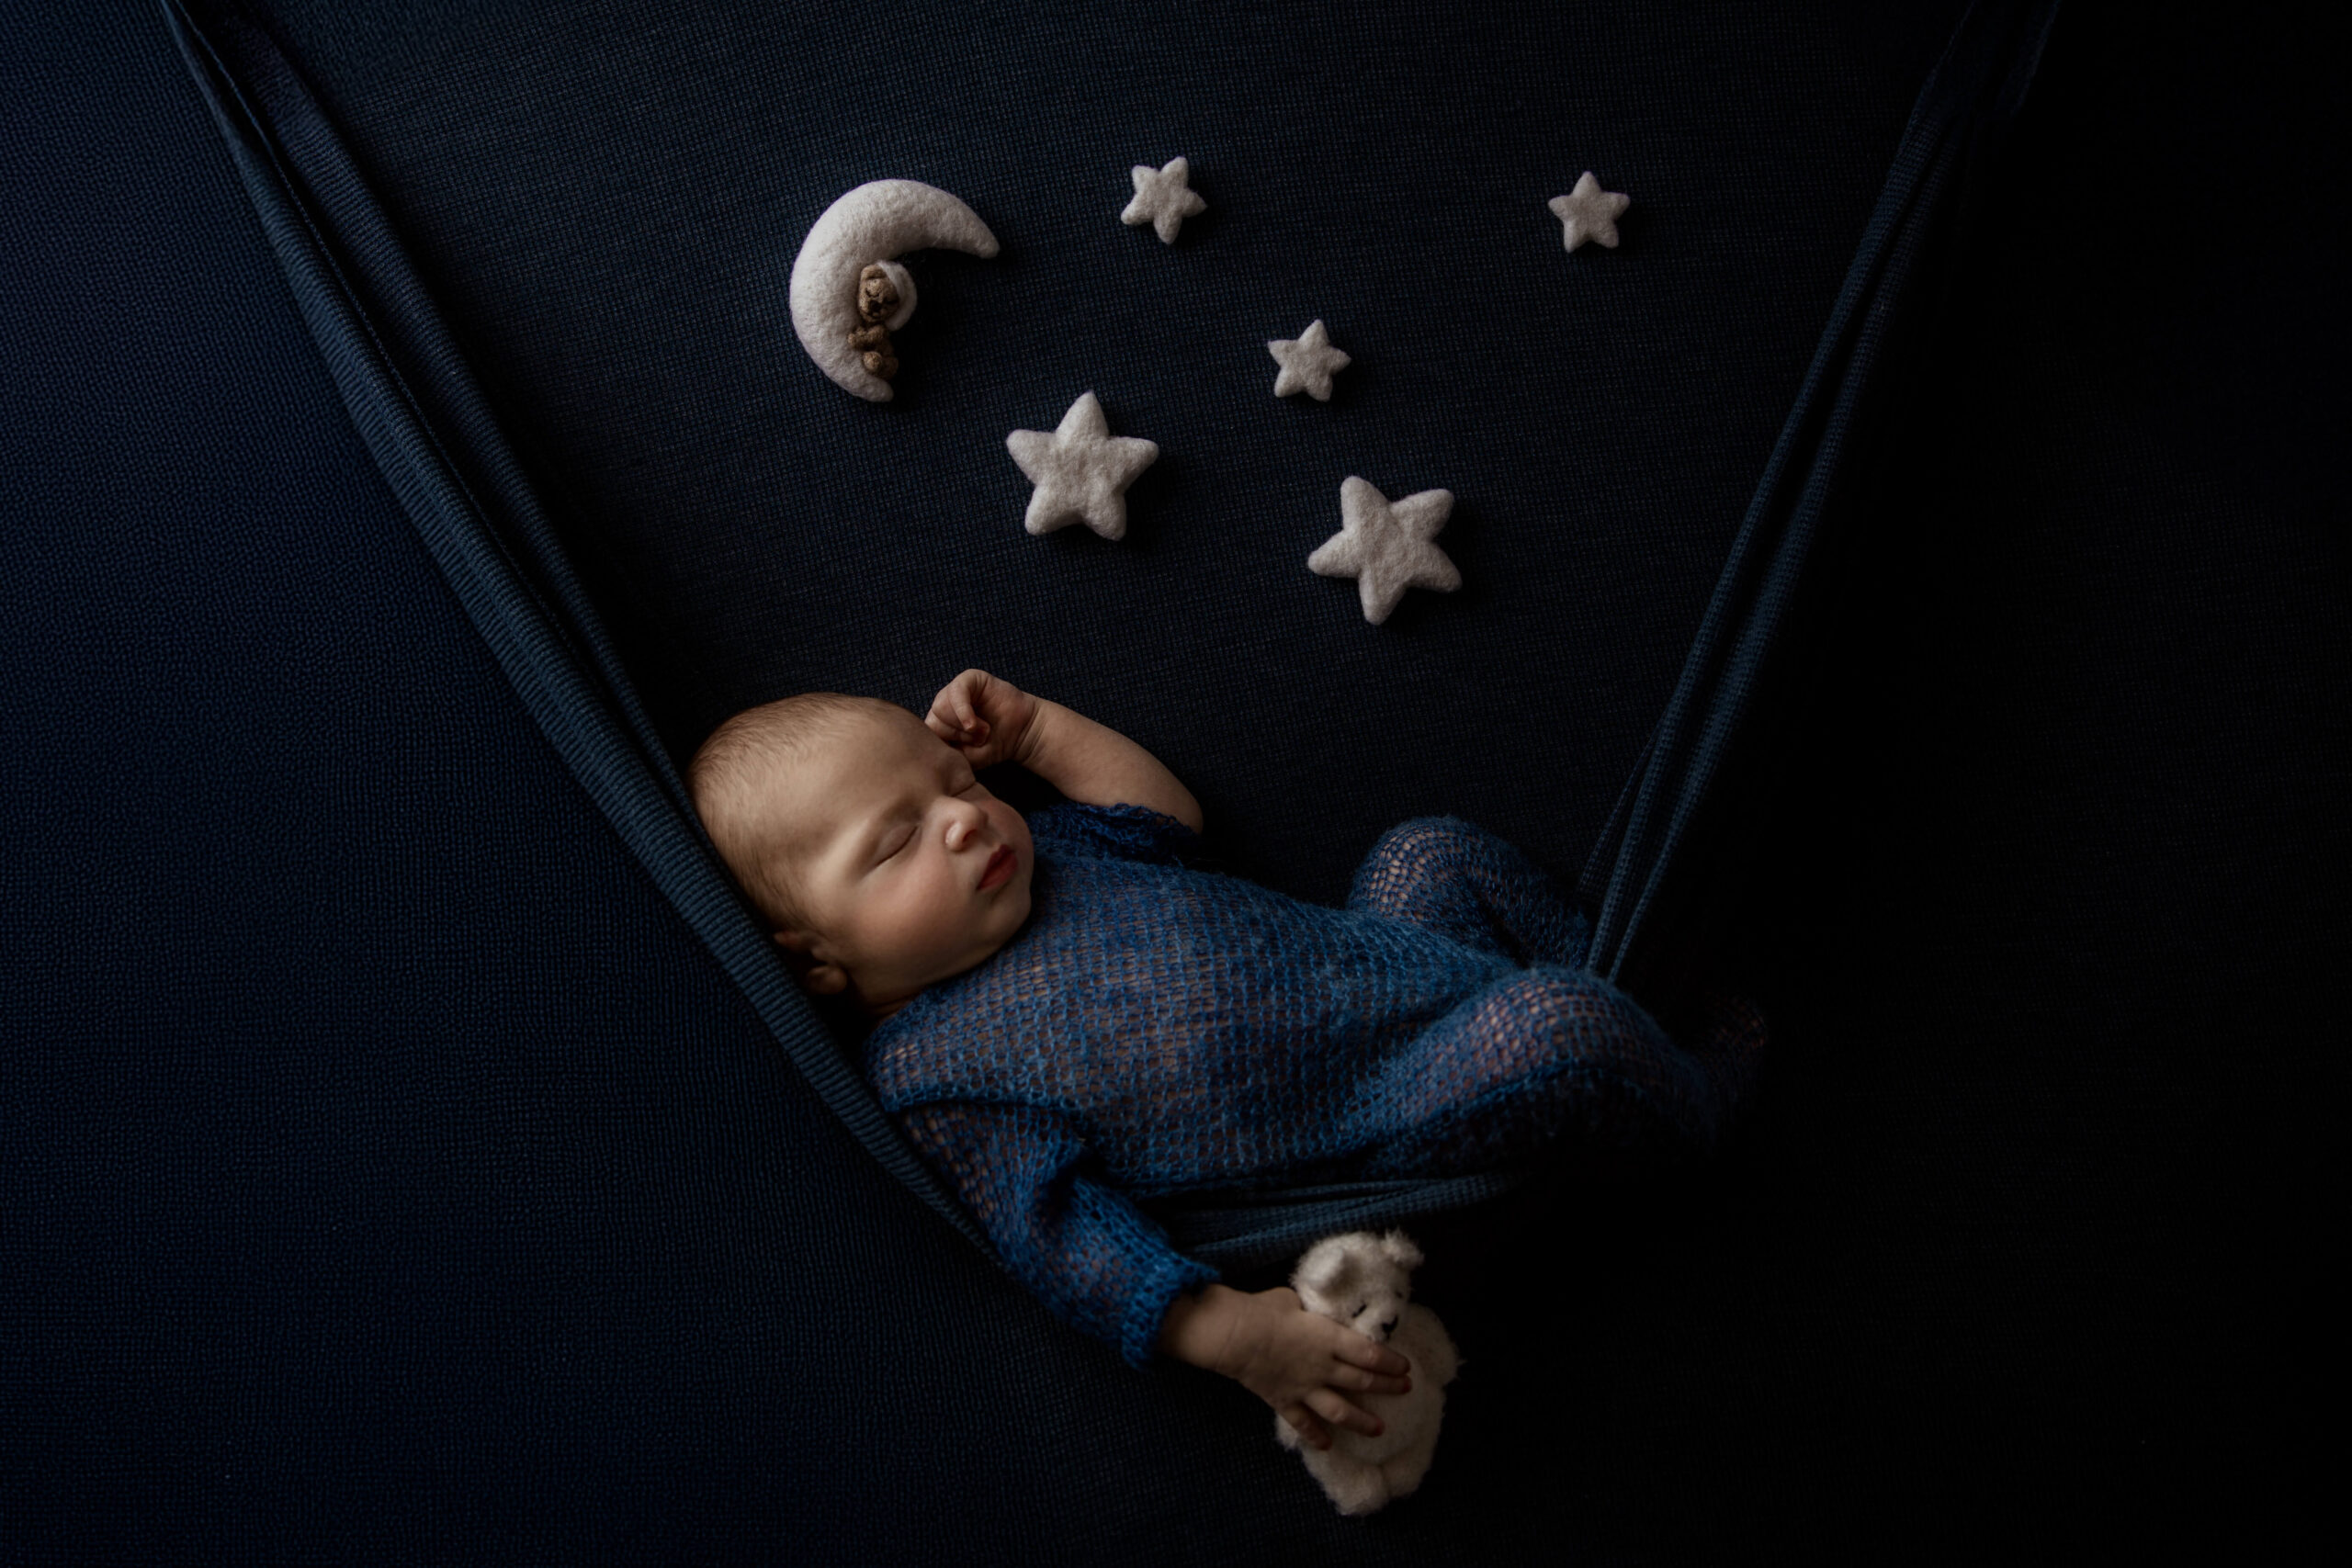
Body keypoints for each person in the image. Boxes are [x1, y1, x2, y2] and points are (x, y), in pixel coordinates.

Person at [687, 670, 1759, 1450]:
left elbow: (1162, 817)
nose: (963, 823)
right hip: (1380, 1111)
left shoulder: (1057, 854)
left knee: (1426, 852)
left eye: (954, 783)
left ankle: (1627, 998)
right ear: (817, 961)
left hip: (1405, 958)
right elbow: (1065, 1241)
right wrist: (1241, 1339)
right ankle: (1702, 1100)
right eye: (896, 840)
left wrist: (1041, 729)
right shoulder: (937, 1076)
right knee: (1551, 1034)